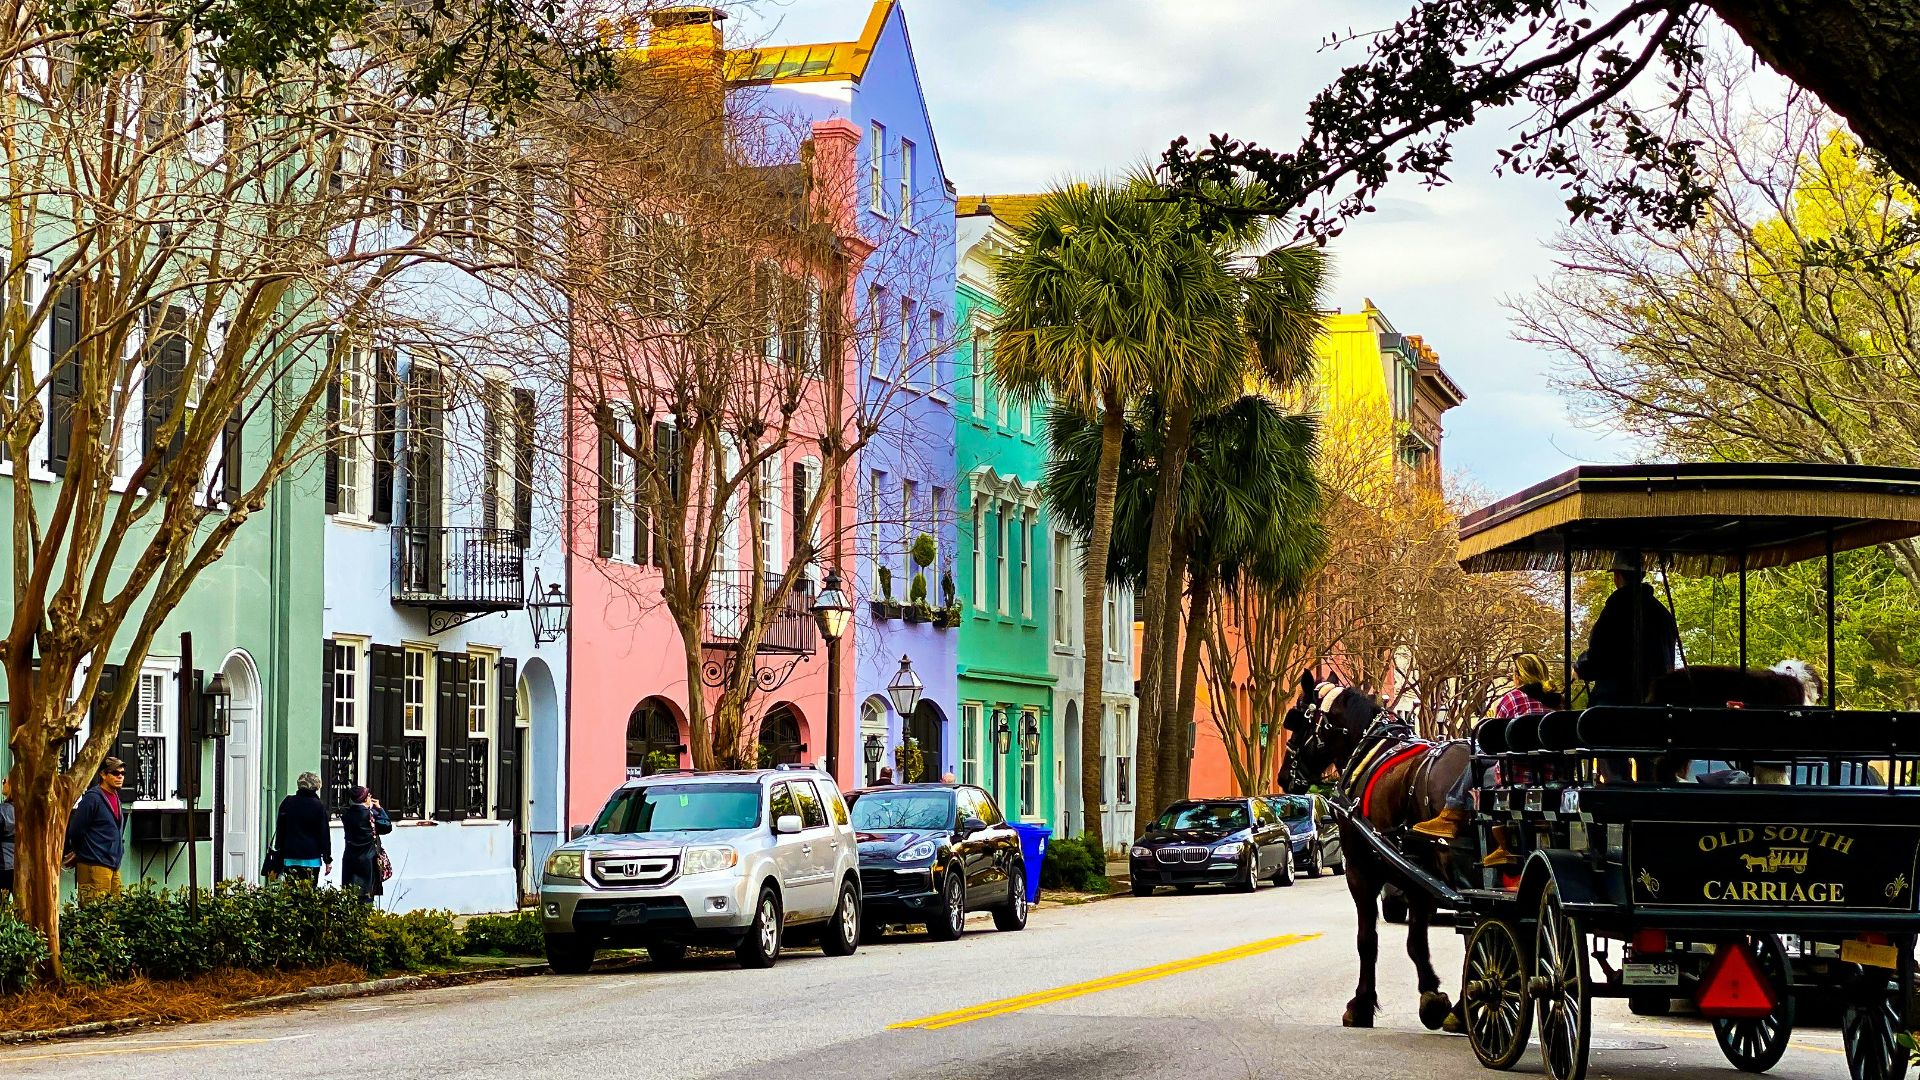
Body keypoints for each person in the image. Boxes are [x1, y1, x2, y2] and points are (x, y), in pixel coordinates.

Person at [1413, 654, 1567, 865]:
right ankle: (1453, 814)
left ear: (1519, 676)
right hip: (1550, 775)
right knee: (1481, 764)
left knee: (1477, 766)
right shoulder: (1558, 703)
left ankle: (1454, 816)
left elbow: (1492, 741)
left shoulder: (1513, 698)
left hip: (1516, 777)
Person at [1581, 551, 1680, 706]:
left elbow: (1598, 659)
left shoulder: (1615, 609)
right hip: (1656, 704)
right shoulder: (1662, 613)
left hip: (1615, 705)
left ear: (1618, 576)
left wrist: (1581, 666)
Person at [64, 758, 127, 903]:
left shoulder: (115, 797)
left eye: (122, 773)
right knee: (95, 912)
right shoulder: (93, 798)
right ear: (103, 775)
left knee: (117, 910)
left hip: (113, 863)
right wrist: (81, 851)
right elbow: (76, 829)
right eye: (115, 773)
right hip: (94, 863)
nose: (120, 776)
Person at [275, 772, 333, 884]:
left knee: (291, 894)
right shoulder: (318, 806)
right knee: (308, 895)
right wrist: (327, 859)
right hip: (312, 858)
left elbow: (280, 829)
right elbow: (324, 835)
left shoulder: (287, 802)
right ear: (316, 786)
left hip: (290, 856)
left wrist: (280, 850)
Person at [339, 786, 392, 903]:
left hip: (350, 859)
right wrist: (380, 809)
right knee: (366, 896)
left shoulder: (346, 815)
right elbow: (387, 826)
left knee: (351, 896)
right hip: (368, 860)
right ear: (365, 799)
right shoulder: (370, 816)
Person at [1, 775, 15, 905]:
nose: (2, 783)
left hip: (4, 864)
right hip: (20, 864)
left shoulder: (4, 811)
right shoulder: (26, 809)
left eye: (4, 781)